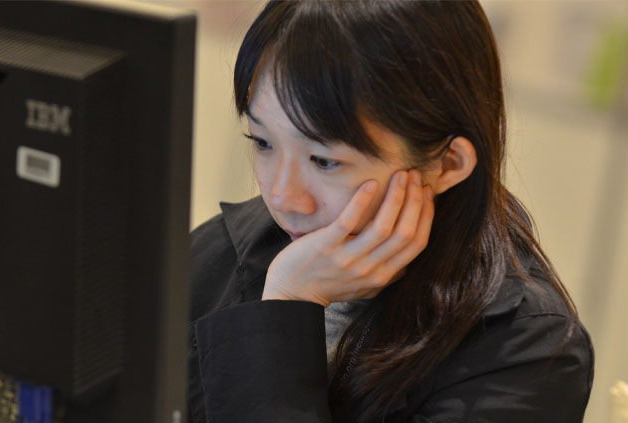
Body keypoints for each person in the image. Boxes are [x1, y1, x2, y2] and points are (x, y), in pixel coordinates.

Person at [186, 1, 594, 422]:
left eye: (325, 161)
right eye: (263, 143)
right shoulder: (221, 249)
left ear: (447, 164)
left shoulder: (525, 353)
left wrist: (287, 307)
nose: (283, 198)